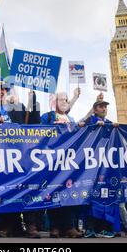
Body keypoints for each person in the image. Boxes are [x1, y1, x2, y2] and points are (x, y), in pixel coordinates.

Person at [0, 81, 42, 238]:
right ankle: (8, 225)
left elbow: (34, 122)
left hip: (21, 156)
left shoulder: (18, 107)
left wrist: (32, 100)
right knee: (5, 189)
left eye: (4, 89)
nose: (1, 91)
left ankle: (30, 224)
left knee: (27, 187)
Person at [41, 92, 83, 238]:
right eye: (61, 99)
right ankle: (54, 227)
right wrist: (52, 128)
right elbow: (38, 133)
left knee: (69, 192)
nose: (65, 102)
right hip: (52, 160)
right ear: (55, 102)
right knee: (53, 192)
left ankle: (70, 227)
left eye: (66, 99)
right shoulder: (47, 117)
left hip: (68, 161)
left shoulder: (71, 119)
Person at [79, 99, 118, 238]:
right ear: (94, 109)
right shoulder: (89, 121)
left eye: (105, 107)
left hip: (105, 166)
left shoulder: (109, 124)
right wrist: (93, 125)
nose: (103, 109)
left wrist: (116, 128)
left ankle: (105, 228)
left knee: (106, 197)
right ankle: (90, 228)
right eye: (100, 107)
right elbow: (79, 128)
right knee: (90, 197)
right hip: (90, 165)